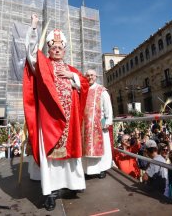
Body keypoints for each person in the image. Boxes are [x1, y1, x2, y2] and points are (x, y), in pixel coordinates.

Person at [23, 14, 89, 211]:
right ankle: (50, 192)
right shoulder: (43, 65)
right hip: (50, 120)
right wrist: (34, 27)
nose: (57, 50)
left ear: (64, 50)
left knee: (69, 156)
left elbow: (84, 85)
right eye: (53, 47)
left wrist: (74, 77)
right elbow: (31, 52)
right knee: (51, 157)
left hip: (70, 120)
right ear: (49, 50)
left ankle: (71, 185)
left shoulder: (71, 69)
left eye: (60, 48)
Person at [81, 69, 113, 179]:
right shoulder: (83, 89)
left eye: (92, 75)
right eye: (87, 75)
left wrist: (107, 121)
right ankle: (86, 170)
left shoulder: (102, 90)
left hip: (99, 124)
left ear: (96, 77)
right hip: (85, 125)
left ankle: (101, 169)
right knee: (85, 147)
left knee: (102, 146)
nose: (90, 77)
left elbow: (107, 107)